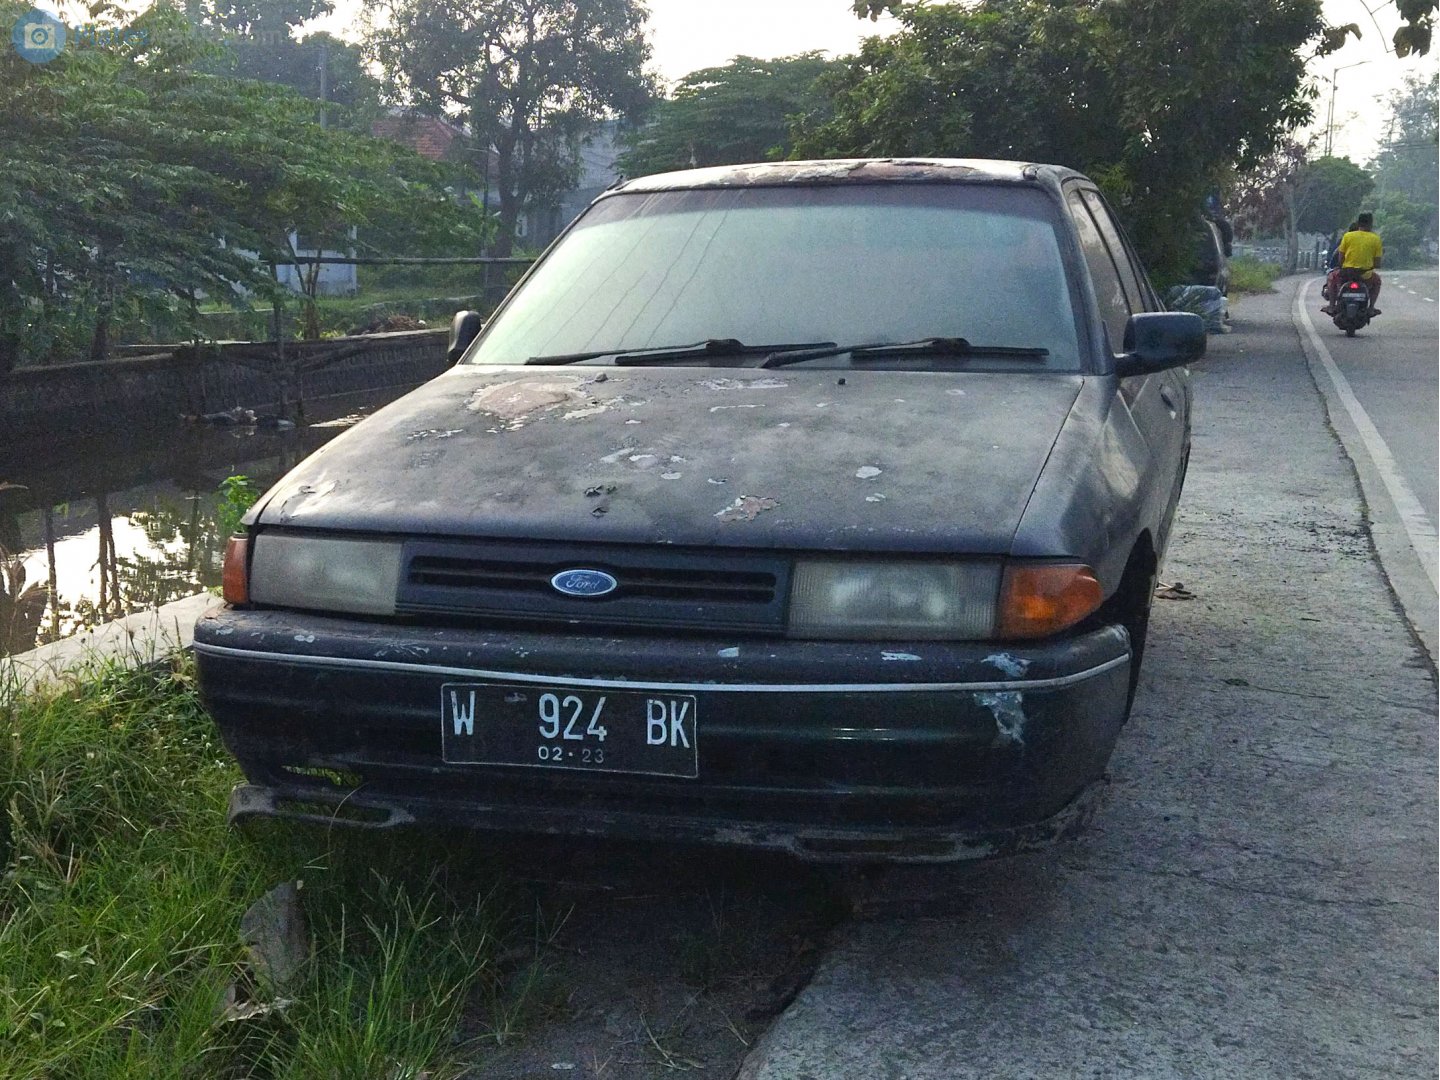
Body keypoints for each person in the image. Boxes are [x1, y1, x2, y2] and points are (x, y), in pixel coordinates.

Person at [1327, 213, 1383, 316]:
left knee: (1331, 278)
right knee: (1377, 281)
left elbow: (1340, 258)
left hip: (1346, 273)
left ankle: (1331, 306)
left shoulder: (1348, 236)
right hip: (1365, 275)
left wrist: (1342, 265)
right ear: (1371, 224)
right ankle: (1371, 308)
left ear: (1358, 223)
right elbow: (1377, 263)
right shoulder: (1376, 239)